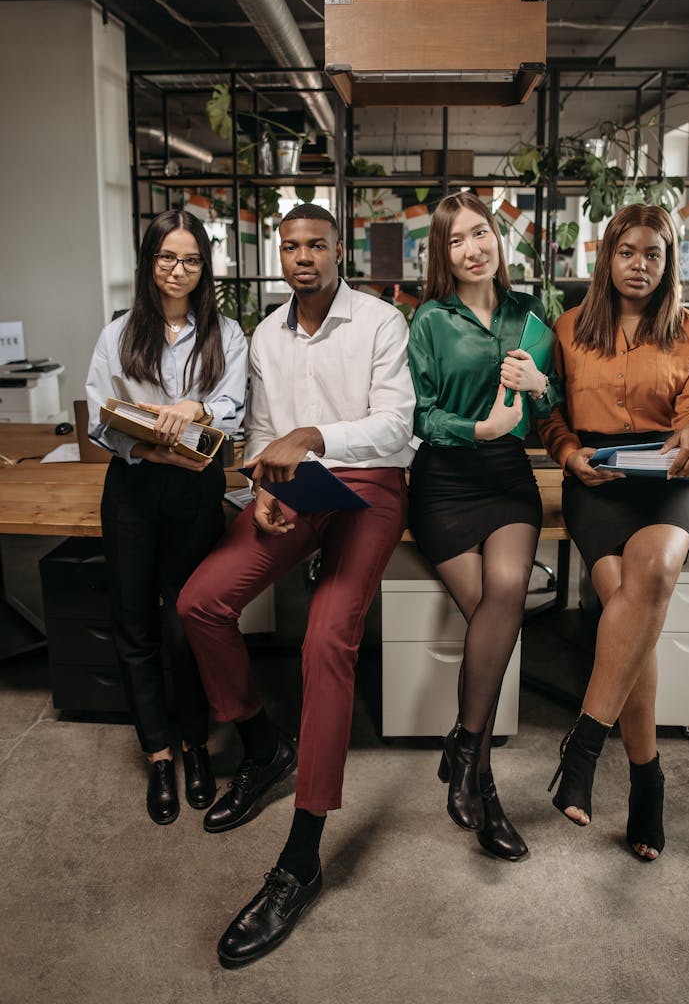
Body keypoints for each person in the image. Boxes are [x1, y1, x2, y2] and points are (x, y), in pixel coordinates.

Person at [176, 203, 415, 966]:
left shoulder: (378, 321)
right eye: (291, 246)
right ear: (277, 253)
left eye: (316, 244)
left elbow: (395, 424)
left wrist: (312, 437)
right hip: (295, 491)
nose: (302, 256)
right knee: (200, 601)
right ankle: (258, 741)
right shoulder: (267, 336)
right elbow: (259, 436)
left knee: (325, 638)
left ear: (339, 249)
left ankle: (301, 857)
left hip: (371, 485)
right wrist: (261, 487)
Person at [538, 203, 689, 861]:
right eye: (627, 252)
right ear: (605, 257)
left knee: (648, 577)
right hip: (597, 483)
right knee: (630, 604)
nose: (639, 265)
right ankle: (647, 778)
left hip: (667, 482)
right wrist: (566, 455)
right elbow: (548, 414)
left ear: (667, 260)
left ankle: (584, 746)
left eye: (652, 253)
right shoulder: (566, 329)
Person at [406, 191, 561, 860]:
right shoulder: (428, 322)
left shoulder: (531, 315)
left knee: (504, 593)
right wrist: (479, 426)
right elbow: (416, 416)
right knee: (492, 627)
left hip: (507, 480)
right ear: (441, 254)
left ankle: (464, 750)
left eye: (480, 233)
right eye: (456, 240)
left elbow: (550, 405)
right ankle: (482, 785)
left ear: (498, 239)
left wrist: (539, 387)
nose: (472, 248)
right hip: (443, 481)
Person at [86, 208, 248, 825]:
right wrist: (145, 444)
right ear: (149, 262)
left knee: (186, 625)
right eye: (166, 258)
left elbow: (234, 407)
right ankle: (157, 754)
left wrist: (194, 408)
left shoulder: (226, 334)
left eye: (191, 259)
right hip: (131, 489)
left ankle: (194, 744)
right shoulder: (119, 333)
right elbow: (102, 414)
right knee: (134, 625)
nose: (178, 270)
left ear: (205, 267)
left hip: (194, 492)